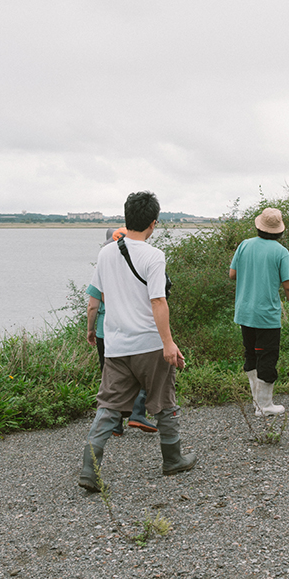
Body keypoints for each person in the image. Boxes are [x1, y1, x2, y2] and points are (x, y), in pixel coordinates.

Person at [79, 192, 196, 492]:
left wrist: (95, 328)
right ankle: (173, 459)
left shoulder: (106, 254)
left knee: (108, 406)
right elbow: (158, 301)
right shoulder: (153, 256)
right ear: (153, 223)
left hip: (116, 345)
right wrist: (169, 343)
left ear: (127, 217)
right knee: (165, 402)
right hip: (149, 344)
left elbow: (100, 296)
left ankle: (90, 469)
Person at [229, 207, 289, 416]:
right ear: (279, 230)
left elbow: (232, 274)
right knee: (268, 356)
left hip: (245, 312)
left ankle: (257, 401)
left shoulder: (244, 245)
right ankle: (265, 405)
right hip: (266, 315)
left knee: (251, 354)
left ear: (259, 226)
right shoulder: (281, 252)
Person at [85, 227, 156, 435]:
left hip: (106, 332)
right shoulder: (141, 264)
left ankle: (114, 424)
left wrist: (90, 330)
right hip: (135, 328)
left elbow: (92, 306)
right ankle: (137, 413)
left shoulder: (104, 267)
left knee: (111, 379)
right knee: (140, 371)